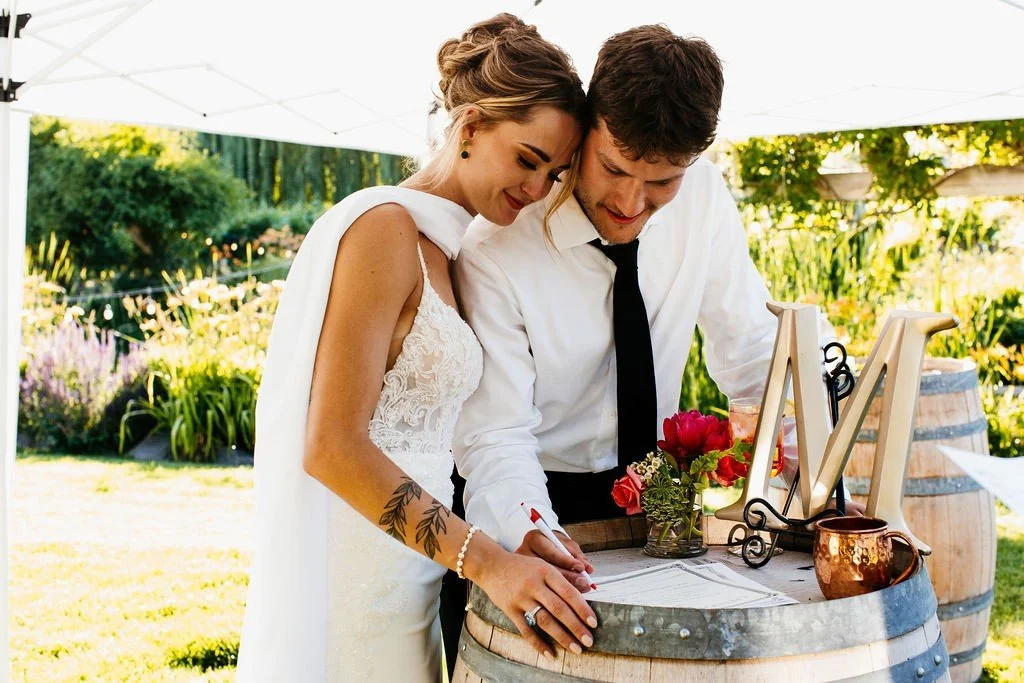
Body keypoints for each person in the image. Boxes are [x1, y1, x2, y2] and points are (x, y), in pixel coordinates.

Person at [235, 14, 597, 682]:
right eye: (527, 158)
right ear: (470, 127)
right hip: (351, 584)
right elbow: (332, 445)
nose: (539, 187)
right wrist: (487, 559)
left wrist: (516, 536)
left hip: (411, 579)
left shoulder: (454, 251)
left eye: (554, 172)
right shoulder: (383, 232)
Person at [444, 24, 786, 666]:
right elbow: (495, 435)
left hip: (657, 494)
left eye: (663, 183)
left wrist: (796, 443)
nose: (631, 203)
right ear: (586, 128)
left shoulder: (706, 199)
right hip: (525, 498)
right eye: (614, 169)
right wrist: (536, 542)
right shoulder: (498, 244)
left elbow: (750, 350)